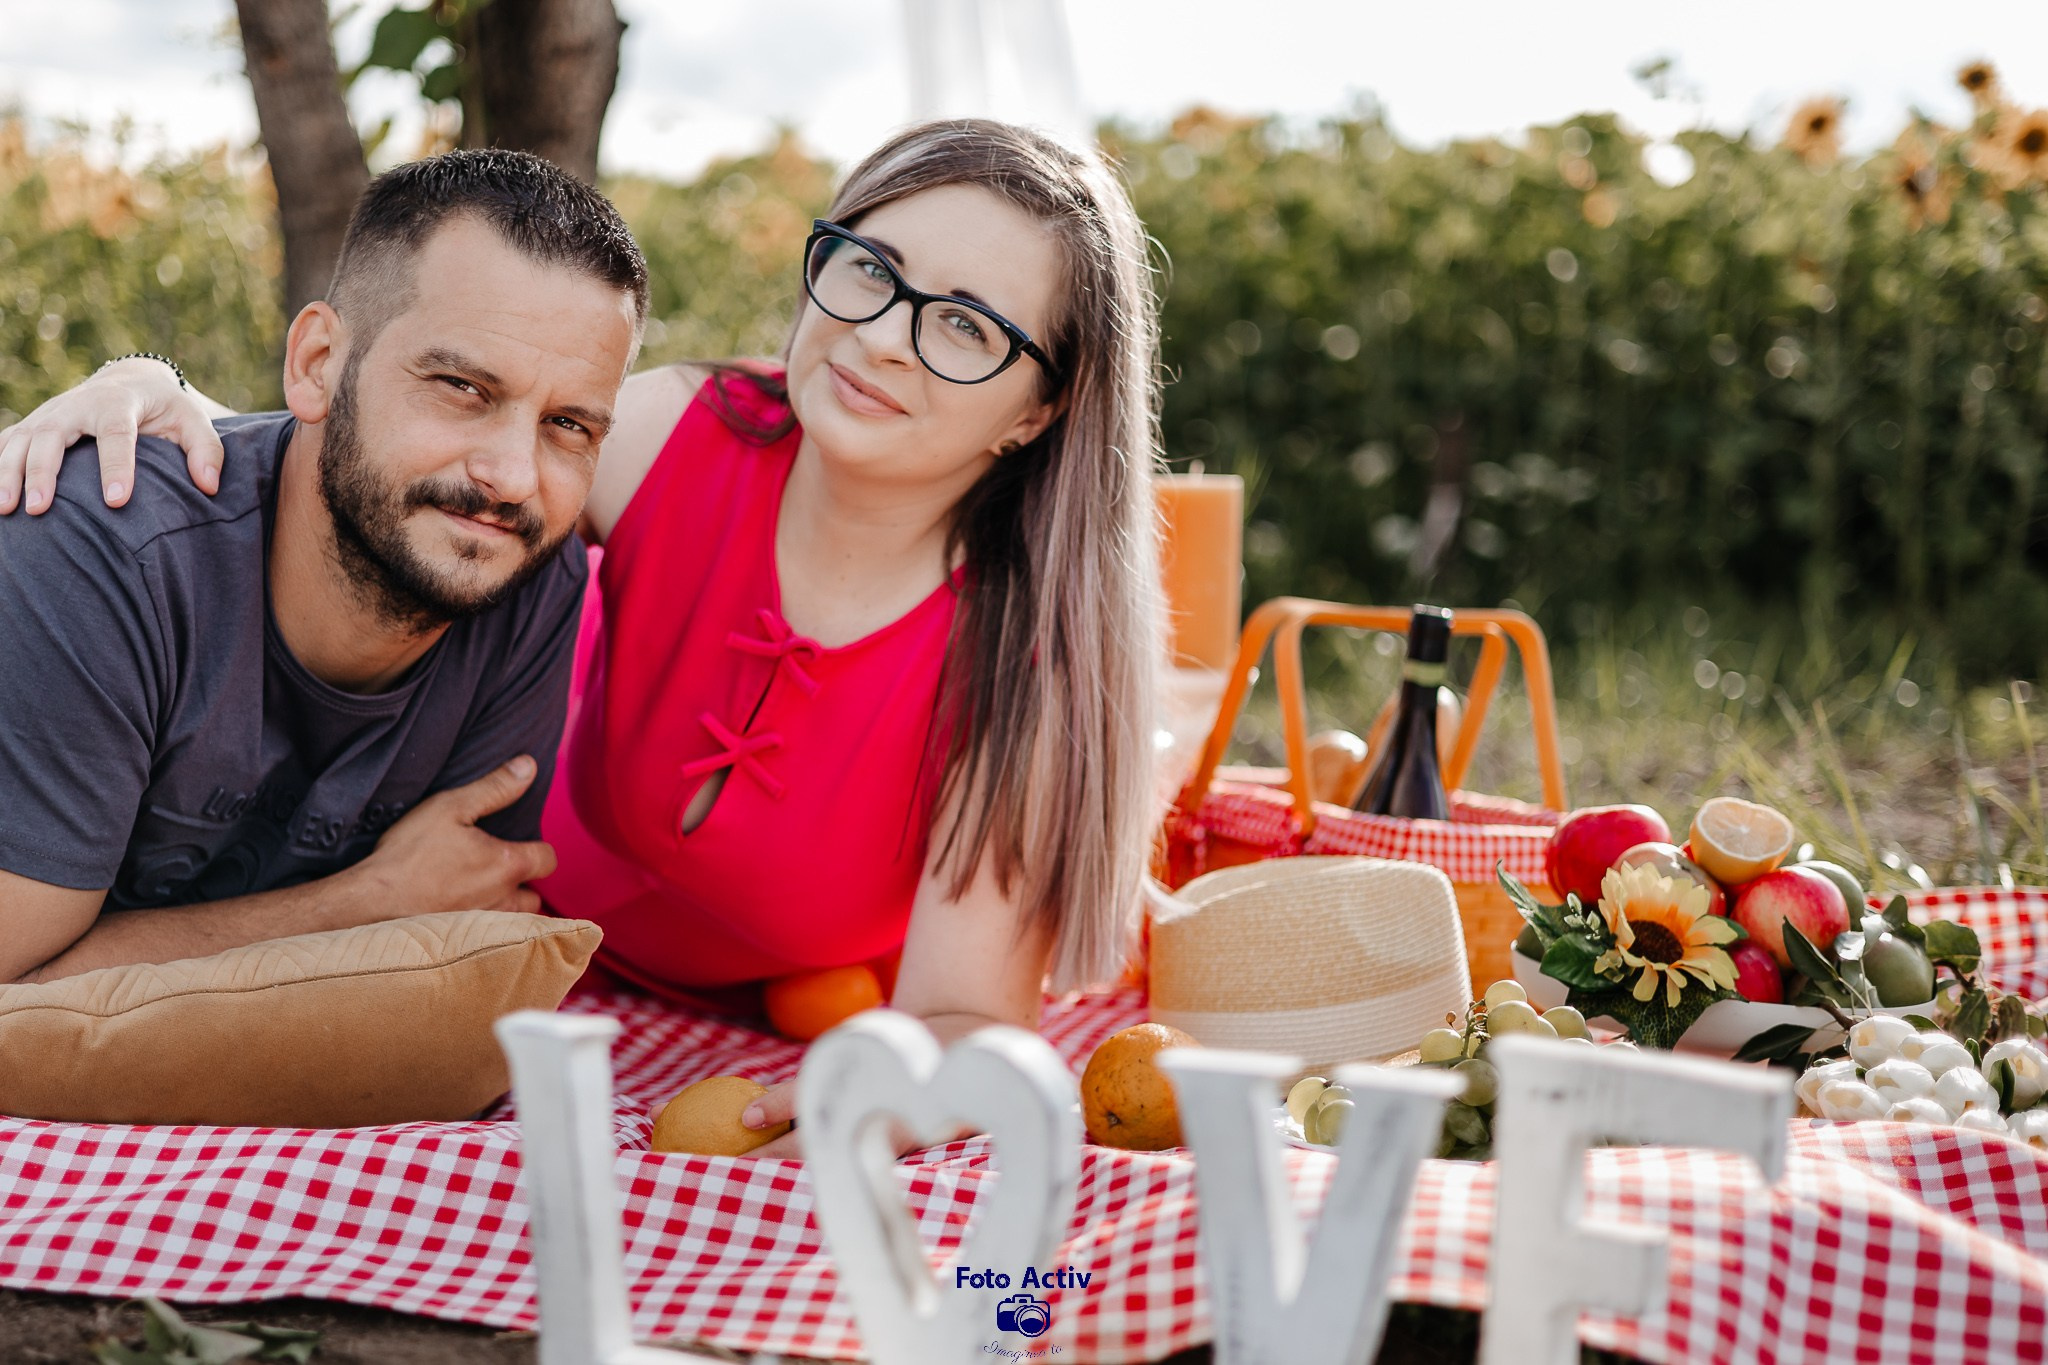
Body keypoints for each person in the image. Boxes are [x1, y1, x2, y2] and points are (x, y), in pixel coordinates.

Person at [4, 120, 1163, 1156]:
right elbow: (403, 465)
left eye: (964, 325)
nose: (888, 339)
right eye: (870, 269)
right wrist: (150, 397)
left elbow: (963, 1018)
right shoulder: (680, 439)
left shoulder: (1024, 662)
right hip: (502, 935)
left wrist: (889, 1091)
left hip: (762, 1007)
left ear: (1040, 408)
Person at [0, 148, 647, 988]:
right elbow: (16, 997)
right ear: (316, 363)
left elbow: (455, 961)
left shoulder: (519, 579)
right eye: (462, 386)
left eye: (568, 425)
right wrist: (367, 902)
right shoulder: (101, 550)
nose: (514, 478)